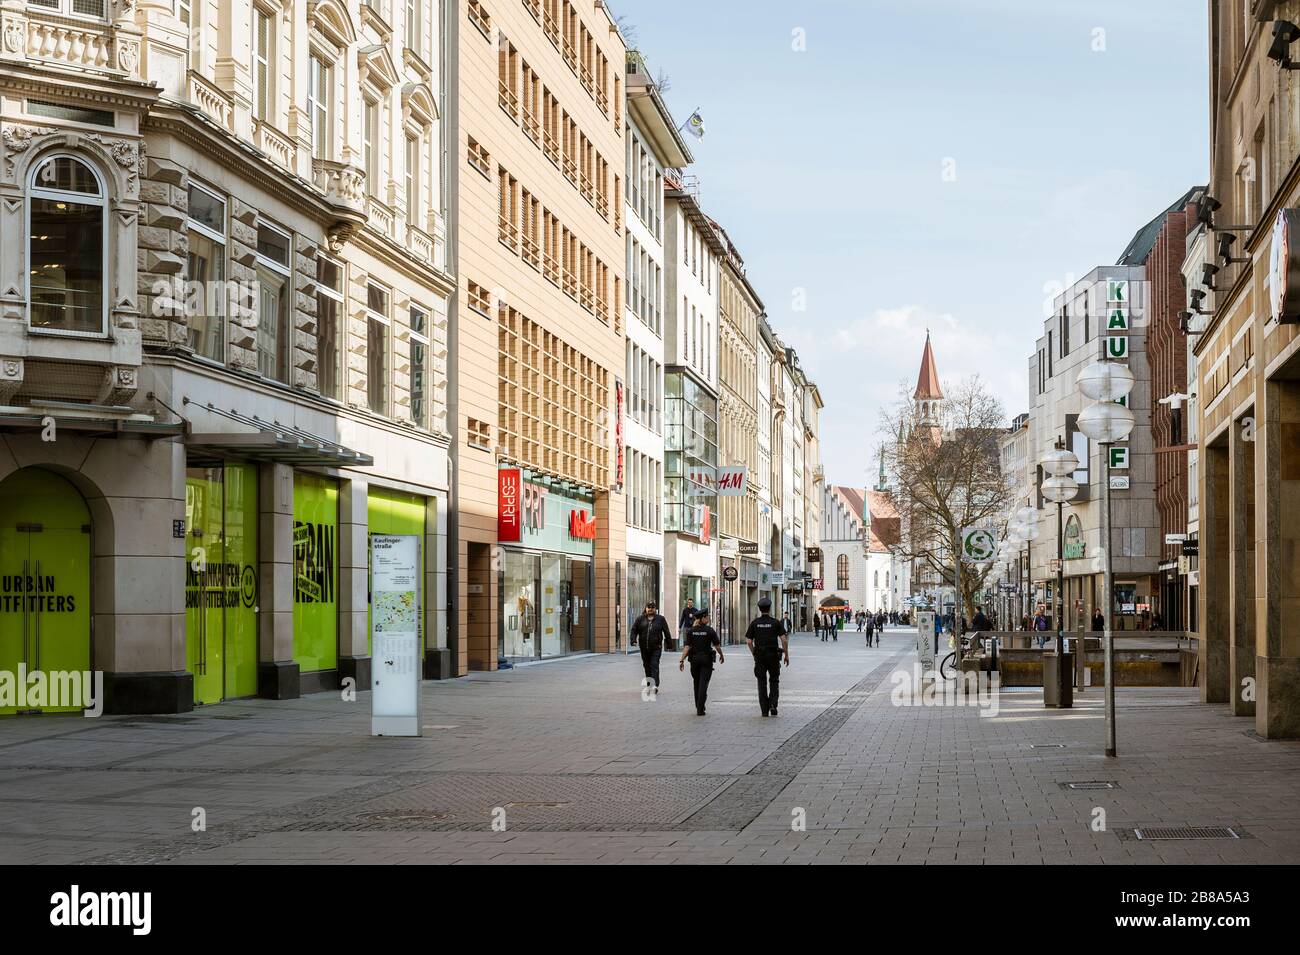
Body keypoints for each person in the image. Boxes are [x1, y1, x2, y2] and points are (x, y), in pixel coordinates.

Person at [746, 596, 789, 717]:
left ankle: (764, 710)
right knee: (774, 680)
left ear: (760, 609)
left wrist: (754, 652)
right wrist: (786, 654)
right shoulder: (775, 622)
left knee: (761, 682)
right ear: (769, 609)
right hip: (773, 656)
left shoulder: (754, 623)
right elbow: (784, 640)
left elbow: (749, 641)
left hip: (760, 656)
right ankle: (773, 704)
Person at [679, 607, 723, 715]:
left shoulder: (691, 631)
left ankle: (698, 705)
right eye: (707, 616)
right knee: (704, 684)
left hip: (694, 660)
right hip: (706, 660)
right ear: (703, 618)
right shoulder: (709, 630)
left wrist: (681, 660)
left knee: (696, 683)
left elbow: (687, 647)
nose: (708, 618)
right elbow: (717, 645)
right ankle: (700, 707)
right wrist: (721, 655)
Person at [631, 601, 671, 695]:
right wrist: (633, 640)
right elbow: (634, 630)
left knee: (654, 665)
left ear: (655, 609)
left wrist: (669, 644)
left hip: (656, 647)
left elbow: (666, 631)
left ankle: (655, 685)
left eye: (652, 607)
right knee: (647, 666)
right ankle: (649, 684)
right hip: (644, 648)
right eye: (648, 607)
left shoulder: (660, 619)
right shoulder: (640, 619)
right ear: (646, 608)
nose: (650, 609)